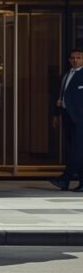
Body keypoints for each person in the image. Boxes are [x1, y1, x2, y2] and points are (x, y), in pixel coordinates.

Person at [51, 49, 83, 191]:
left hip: (80, 118)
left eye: (79, 58)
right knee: (74, 150)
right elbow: (61, 95)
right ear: (69, 60)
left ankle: (65, 178)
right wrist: (57, 113)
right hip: (67, 117)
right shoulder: (65, 76)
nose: (75, 60)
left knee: (78, 150)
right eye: (73, 58)